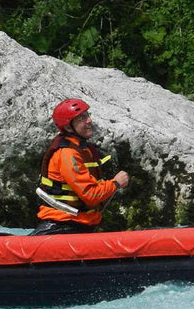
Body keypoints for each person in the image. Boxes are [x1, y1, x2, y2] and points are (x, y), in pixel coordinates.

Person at [31, 98, 129, 235]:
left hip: (80, 223)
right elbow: (90, 194)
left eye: (87, 115)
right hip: (61, 225)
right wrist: (116, 183)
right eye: (81, 118)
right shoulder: (67, 154)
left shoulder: (82, 148)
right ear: (68, 127)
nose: (89, 121)